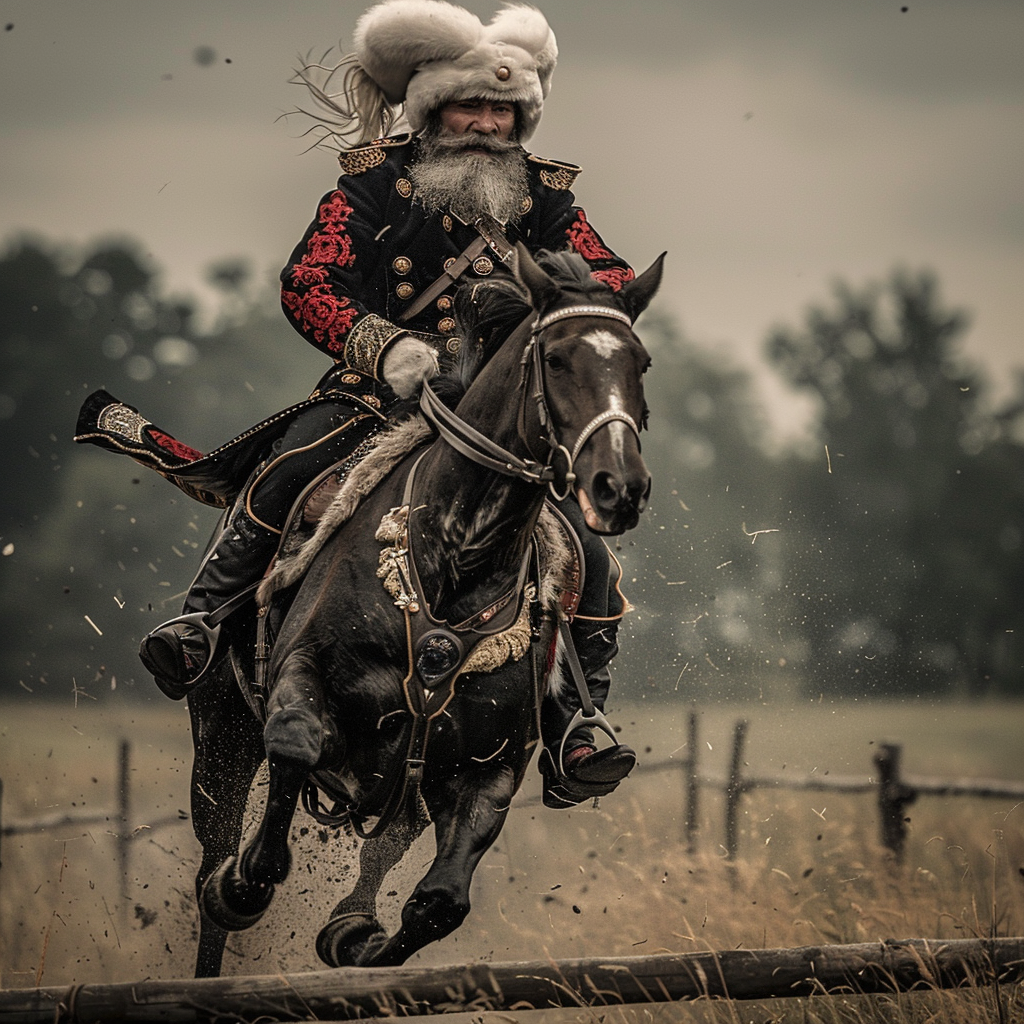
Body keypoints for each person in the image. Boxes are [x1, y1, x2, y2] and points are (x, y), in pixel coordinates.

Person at [138, 0, 640, 807]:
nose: (486, 123)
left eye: (504, 110)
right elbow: (308, 281)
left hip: (498, 426)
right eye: (471, 105)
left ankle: (580, 718)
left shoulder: (547, 200)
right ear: (433, 108)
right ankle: (201, 622)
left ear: (523, 118)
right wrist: (385, 347)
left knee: (591, 552)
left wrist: (576, 306)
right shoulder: (373, 182)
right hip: (375, 400)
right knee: (287, 466)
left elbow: (608, 273)